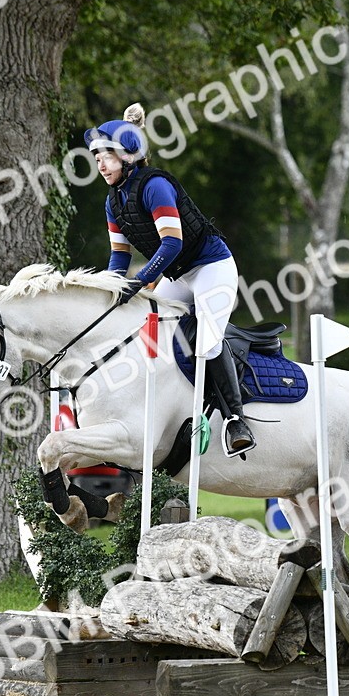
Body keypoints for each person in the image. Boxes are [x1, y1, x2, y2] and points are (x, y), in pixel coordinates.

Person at [84, 103, 256, 457]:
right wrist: (110, 291)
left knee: (207, 340)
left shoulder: (156, 186)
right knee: (152, 333)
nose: (100, 164)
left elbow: (173, 242)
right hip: (178, 274)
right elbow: (119, 257)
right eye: (96, 156)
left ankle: (237, 420)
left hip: (211, 267)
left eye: (106, 155)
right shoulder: (112, 202)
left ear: (127, 155)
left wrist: (139, 281)